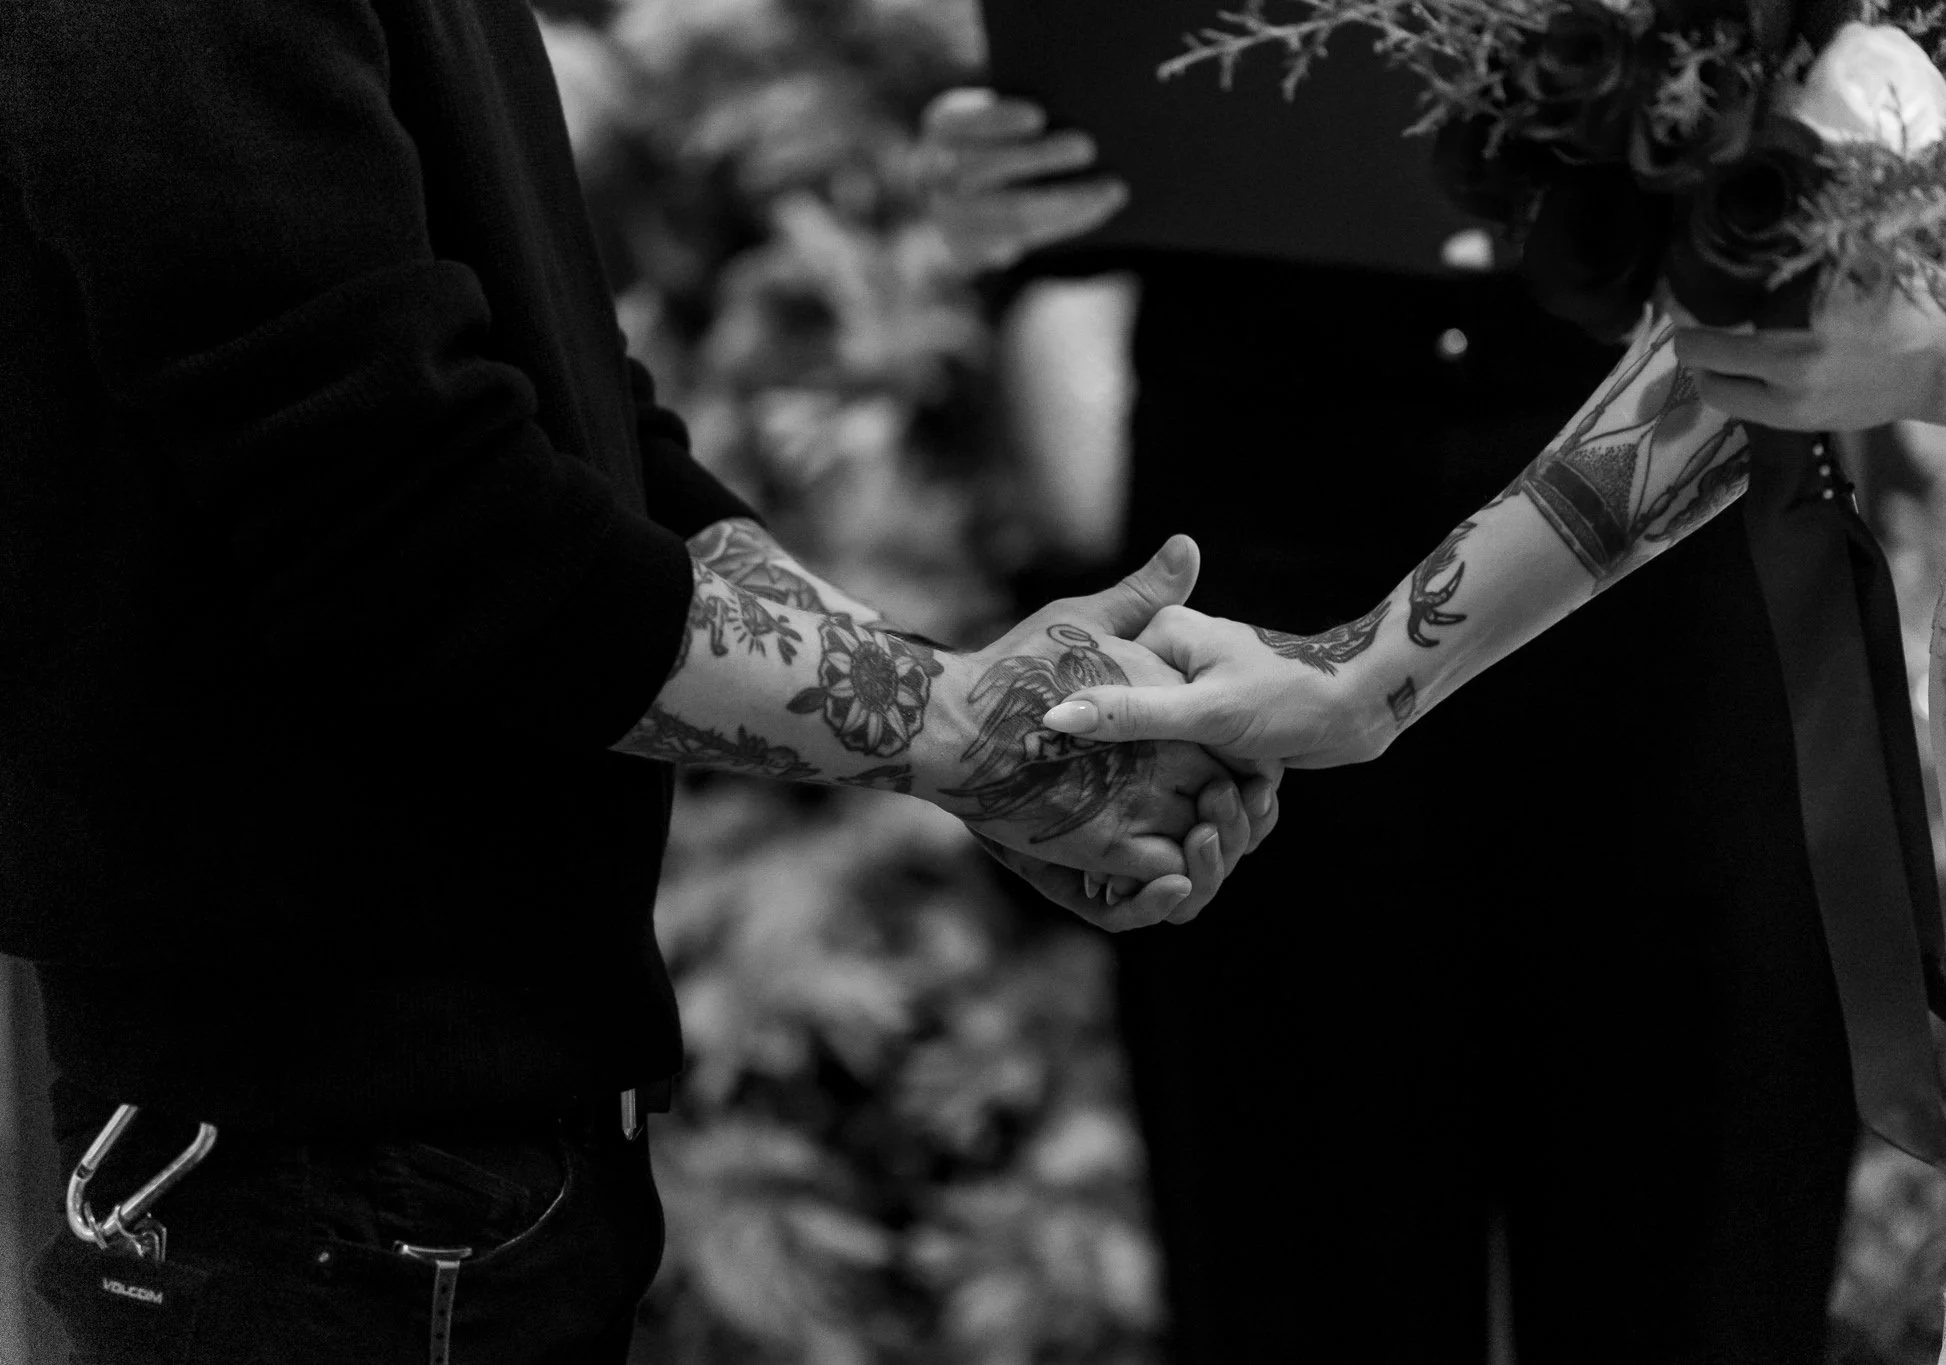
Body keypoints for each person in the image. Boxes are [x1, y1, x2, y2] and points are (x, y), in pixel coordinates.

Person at [0, 3, 1280, 1361]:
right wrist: (958, 728)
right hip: (325, 1147)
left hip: (464, 1131)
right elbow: (413, 524)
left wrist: (951, 702)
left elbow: (581, 417)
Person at [916, 18, 1892, 1363]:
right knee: (1298, 1261)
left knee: (1703, 1238)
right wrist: (1008, 192)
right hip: (1266, 500)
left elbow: (1867, 201)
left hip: (1694, 567)